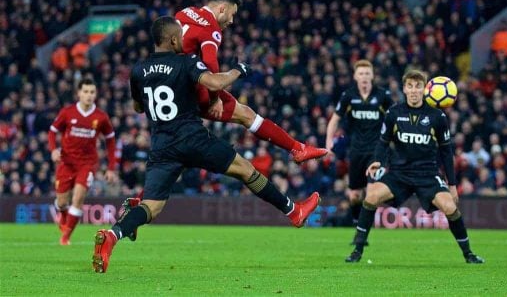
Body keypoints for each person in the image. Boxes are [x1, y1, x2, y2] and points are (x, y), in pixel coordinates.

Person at [92, 16, 320, 273]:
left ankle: (112, 235)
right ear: (173, 39)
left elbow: (137, 106)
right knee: (246, 169)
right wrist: (238, 70)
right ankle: (293, 212)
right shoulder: (185, 61)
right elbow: (214, 83)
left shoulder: (138, 70)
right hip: (192, 138)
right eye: (180, 36)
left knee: (152, 207)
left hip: (162, 146)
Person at [175, 0, 327, 163]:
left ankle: (298, 148)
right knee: (246, 118)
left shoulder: (184, 13)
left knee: (170, 155)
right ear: (222, 8)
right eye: (232, 14)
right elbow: (211, 65)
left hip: (166, 82)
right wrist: (214, 99)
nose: (231, 20)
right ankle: (297, 149)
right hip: (189, 89)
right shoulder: (211, 28)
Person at [345, 69, 484, 264]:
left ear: (425, 89)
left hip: (427, 174)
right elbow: (383, 142)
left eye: (418, 86)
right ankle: (357, 250)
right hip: (399, 174)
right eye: (410, 86)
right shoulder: (394, 113)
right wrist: (378, 161)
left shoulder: (437, 117)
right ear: (404, 89)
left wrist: (452, 185)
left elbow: (446, 152)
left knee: (450, 207)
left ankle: (468, 254)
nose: (413, 90)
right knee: (372, 196)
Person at [325, 60, 393, 233]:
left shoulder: (383, 95)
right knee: (354, 195)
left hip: (376, 151)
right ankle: (357, 222)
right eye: (361, 73)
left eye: (367, 73)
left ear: (372, 76)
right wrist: (328, 143)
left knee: (371, 192)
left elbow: (395, 118)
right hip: (355, 151)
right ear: (355, 76)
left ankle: (362, 233)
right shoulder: (349, 96)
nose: (364, 76)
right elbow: (334, 120)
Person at [48, 78, 118, 245]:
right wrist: (53, 150)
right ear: (79, 93)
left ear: (96, 94)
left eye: (92, 92)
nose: (89, 95)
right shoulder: (67, 112)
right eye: (85, 92)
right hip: (66, 163)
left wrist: (110, 167)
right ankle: (63, 215)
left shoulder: (101, 117)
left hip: (87, 164)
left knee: (78, 198)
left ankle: (66, 237)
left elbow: (110, 140)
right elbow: (52, 131)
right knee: (61, 202)